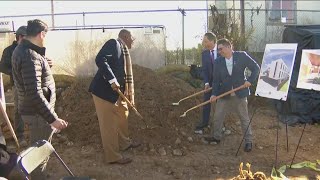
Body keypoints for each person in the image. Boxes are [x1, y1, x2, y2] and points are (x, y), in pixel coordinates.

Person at [12, 19, 68, 179]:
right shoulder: (29, 55)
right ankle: (39, 177)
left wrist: (44, 63)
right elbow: (34, 93)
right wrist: (52, 119)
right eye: (45, 35)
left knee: (39, 149)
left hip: (36, 111)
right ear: (41, 34)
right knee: (39, 152)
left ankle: (40, 175)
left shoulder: (26, 50)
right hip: (38, 114)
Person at [89, 29, 141, 165]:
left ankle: (124, 143)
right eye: (132, 38)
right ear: (125, 36)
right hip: (104, 92)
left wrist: (127, 93)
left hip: (118, 93)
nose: (133, 41)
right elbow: (100, 59)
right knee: (109, 125)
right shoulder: (114, 44)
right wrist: (112, 79)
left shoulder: (124, 51)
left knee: (123, 114)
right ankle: (113, 156)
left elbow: (121, 72)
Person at [204, 38, 260, 152]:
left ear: (229, 47)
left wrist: (250, 80)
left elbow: (256, 68)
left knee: (244, 118)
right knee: (217, 117)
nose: (219, 52)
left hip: (240, 94)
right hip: (224, 94)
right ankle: (216, 137)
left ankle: (248, 141)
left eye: (220, 49)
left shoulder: (241, 56)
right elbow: (215, 81)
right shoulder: (218, 62)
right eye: (218, 50)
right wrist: (214, 94)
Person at [0, 26, 28, 147]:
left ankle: (40, 135)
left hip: (33, 84)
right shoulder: (9, 51)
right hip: (17, 85)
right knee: (19, 110)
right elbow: (2, 67)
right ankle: (20, 136)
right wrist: (15, 71)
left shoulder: (30, 49)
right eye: (26, 37)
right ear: (20, 37)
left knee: (37, 108)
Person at [194, 32, 218, 134]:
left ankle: (220, 126)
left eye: (206, 41)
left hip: (221, 82)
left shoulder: (221, 50)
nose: (204, 43)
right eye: (203, 41)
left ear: (212, 41)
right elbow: (204, 70)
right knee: (206, 102)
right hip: (210, 83)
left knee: (221, 104)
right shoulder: (204, 54)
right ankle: (204, 124)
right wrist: (207, 83)